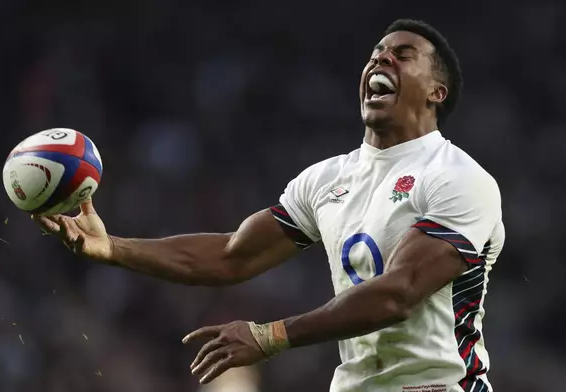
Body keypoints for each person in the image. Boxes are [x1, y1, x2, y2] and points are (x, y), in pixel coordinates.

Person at [34, 19, 504, 392]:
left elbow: (399, 293)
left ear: (436, 93)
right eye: (377, 52)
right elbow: (231, 254)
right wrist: (113, 247)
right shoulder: (326, 179)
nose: (382, 57)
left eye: (403, 55)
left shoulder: (459, 178)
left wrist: (272, 335)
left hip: (439, 387)